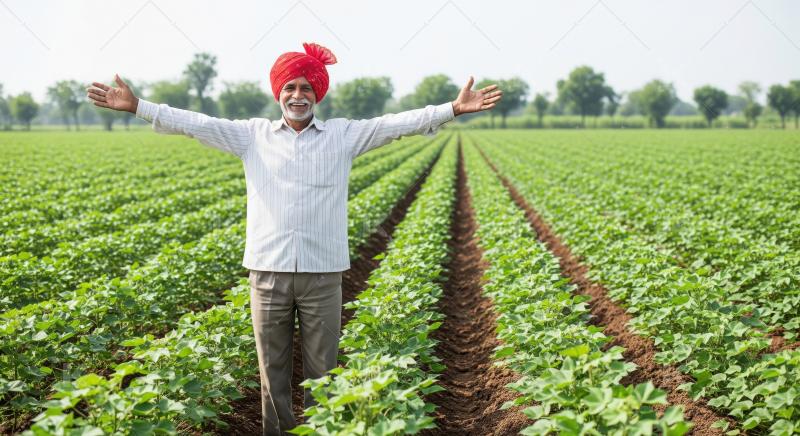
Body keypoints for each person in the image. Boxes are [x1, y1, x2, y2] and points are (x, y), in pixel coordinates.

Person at [86, 41, 502, 436]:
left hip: (323, 274)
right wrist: (138, 106)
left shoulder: (342, 135)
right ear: (278, 93)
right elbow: (197, 123)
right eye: (290, 87)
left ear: (317, 93)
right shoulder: (252, 136)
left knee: (324, 372)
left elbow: (396, 124)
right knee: (273, 373)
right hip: (267, 272)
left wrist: (451, 109)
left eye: (306, 87)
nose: (298, 95)